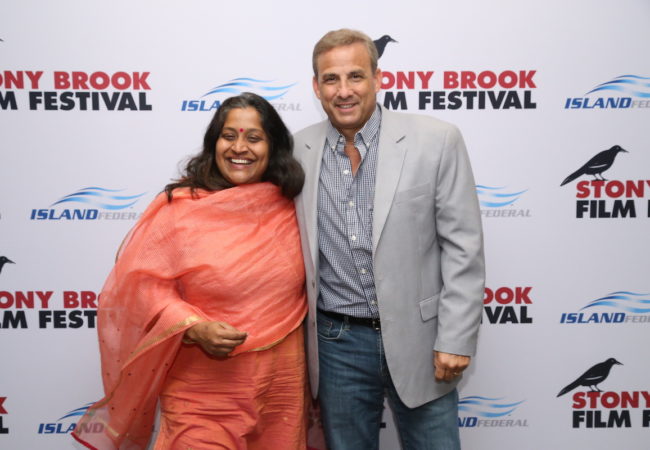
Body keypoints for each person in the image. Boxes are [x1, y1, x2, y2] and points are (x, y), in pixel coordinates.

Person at [72, 92, 308, 450]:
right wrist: (196, 328)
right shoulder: (181, 208)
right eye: (228, 136)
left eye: (254, 138)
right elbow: (142, 287)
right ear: (214, 142)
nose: (239, 147)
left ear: (272, 147)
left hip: (282, 386)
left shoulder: (292, 206)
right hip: (204, 384)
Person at [293, 29, 485, 450]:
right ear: (316, 87)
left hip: (422, 340)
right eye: (331, 79)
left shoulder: (436, 140)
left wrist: (454, 338)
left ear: (379, 78)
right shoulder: (297, 150)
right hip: (336, 345)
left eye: (356, 76)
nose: (344, 91)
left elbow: (463, 248)